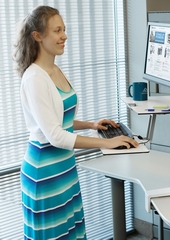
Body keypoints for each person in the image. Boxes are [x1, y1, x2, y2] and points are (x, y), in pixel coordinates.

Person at [13, 5, 139, 240]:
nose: (64, 36)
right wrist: (108, 144)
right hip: (45, 173)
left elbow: (59, 119)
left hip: (64, 169)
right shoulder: (34, 78)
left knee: (71, 232)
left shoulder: (55, 69)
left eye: (64, 29)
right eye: (57, 31)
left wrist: (91, 125)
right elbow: (55, 136)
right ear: (38, 36)